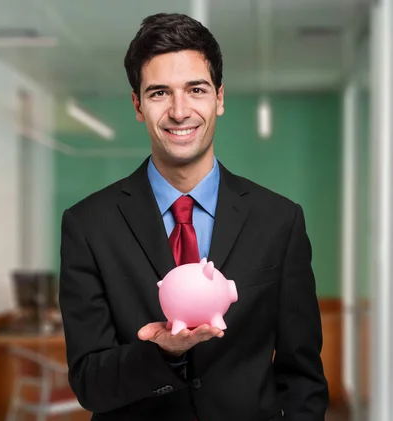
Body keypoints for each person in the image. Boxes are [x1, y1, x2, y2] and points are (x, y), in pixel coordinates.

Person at [59, 12, 329, 421]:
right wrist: (162, 353)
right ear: (138, 105)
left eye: (196, 89)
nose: (179, 111)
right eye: (159, 93)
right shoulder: (89, 226)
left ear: (219, 98)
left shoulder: (279, 221)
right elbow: (90, 383)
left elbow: (303, 377)